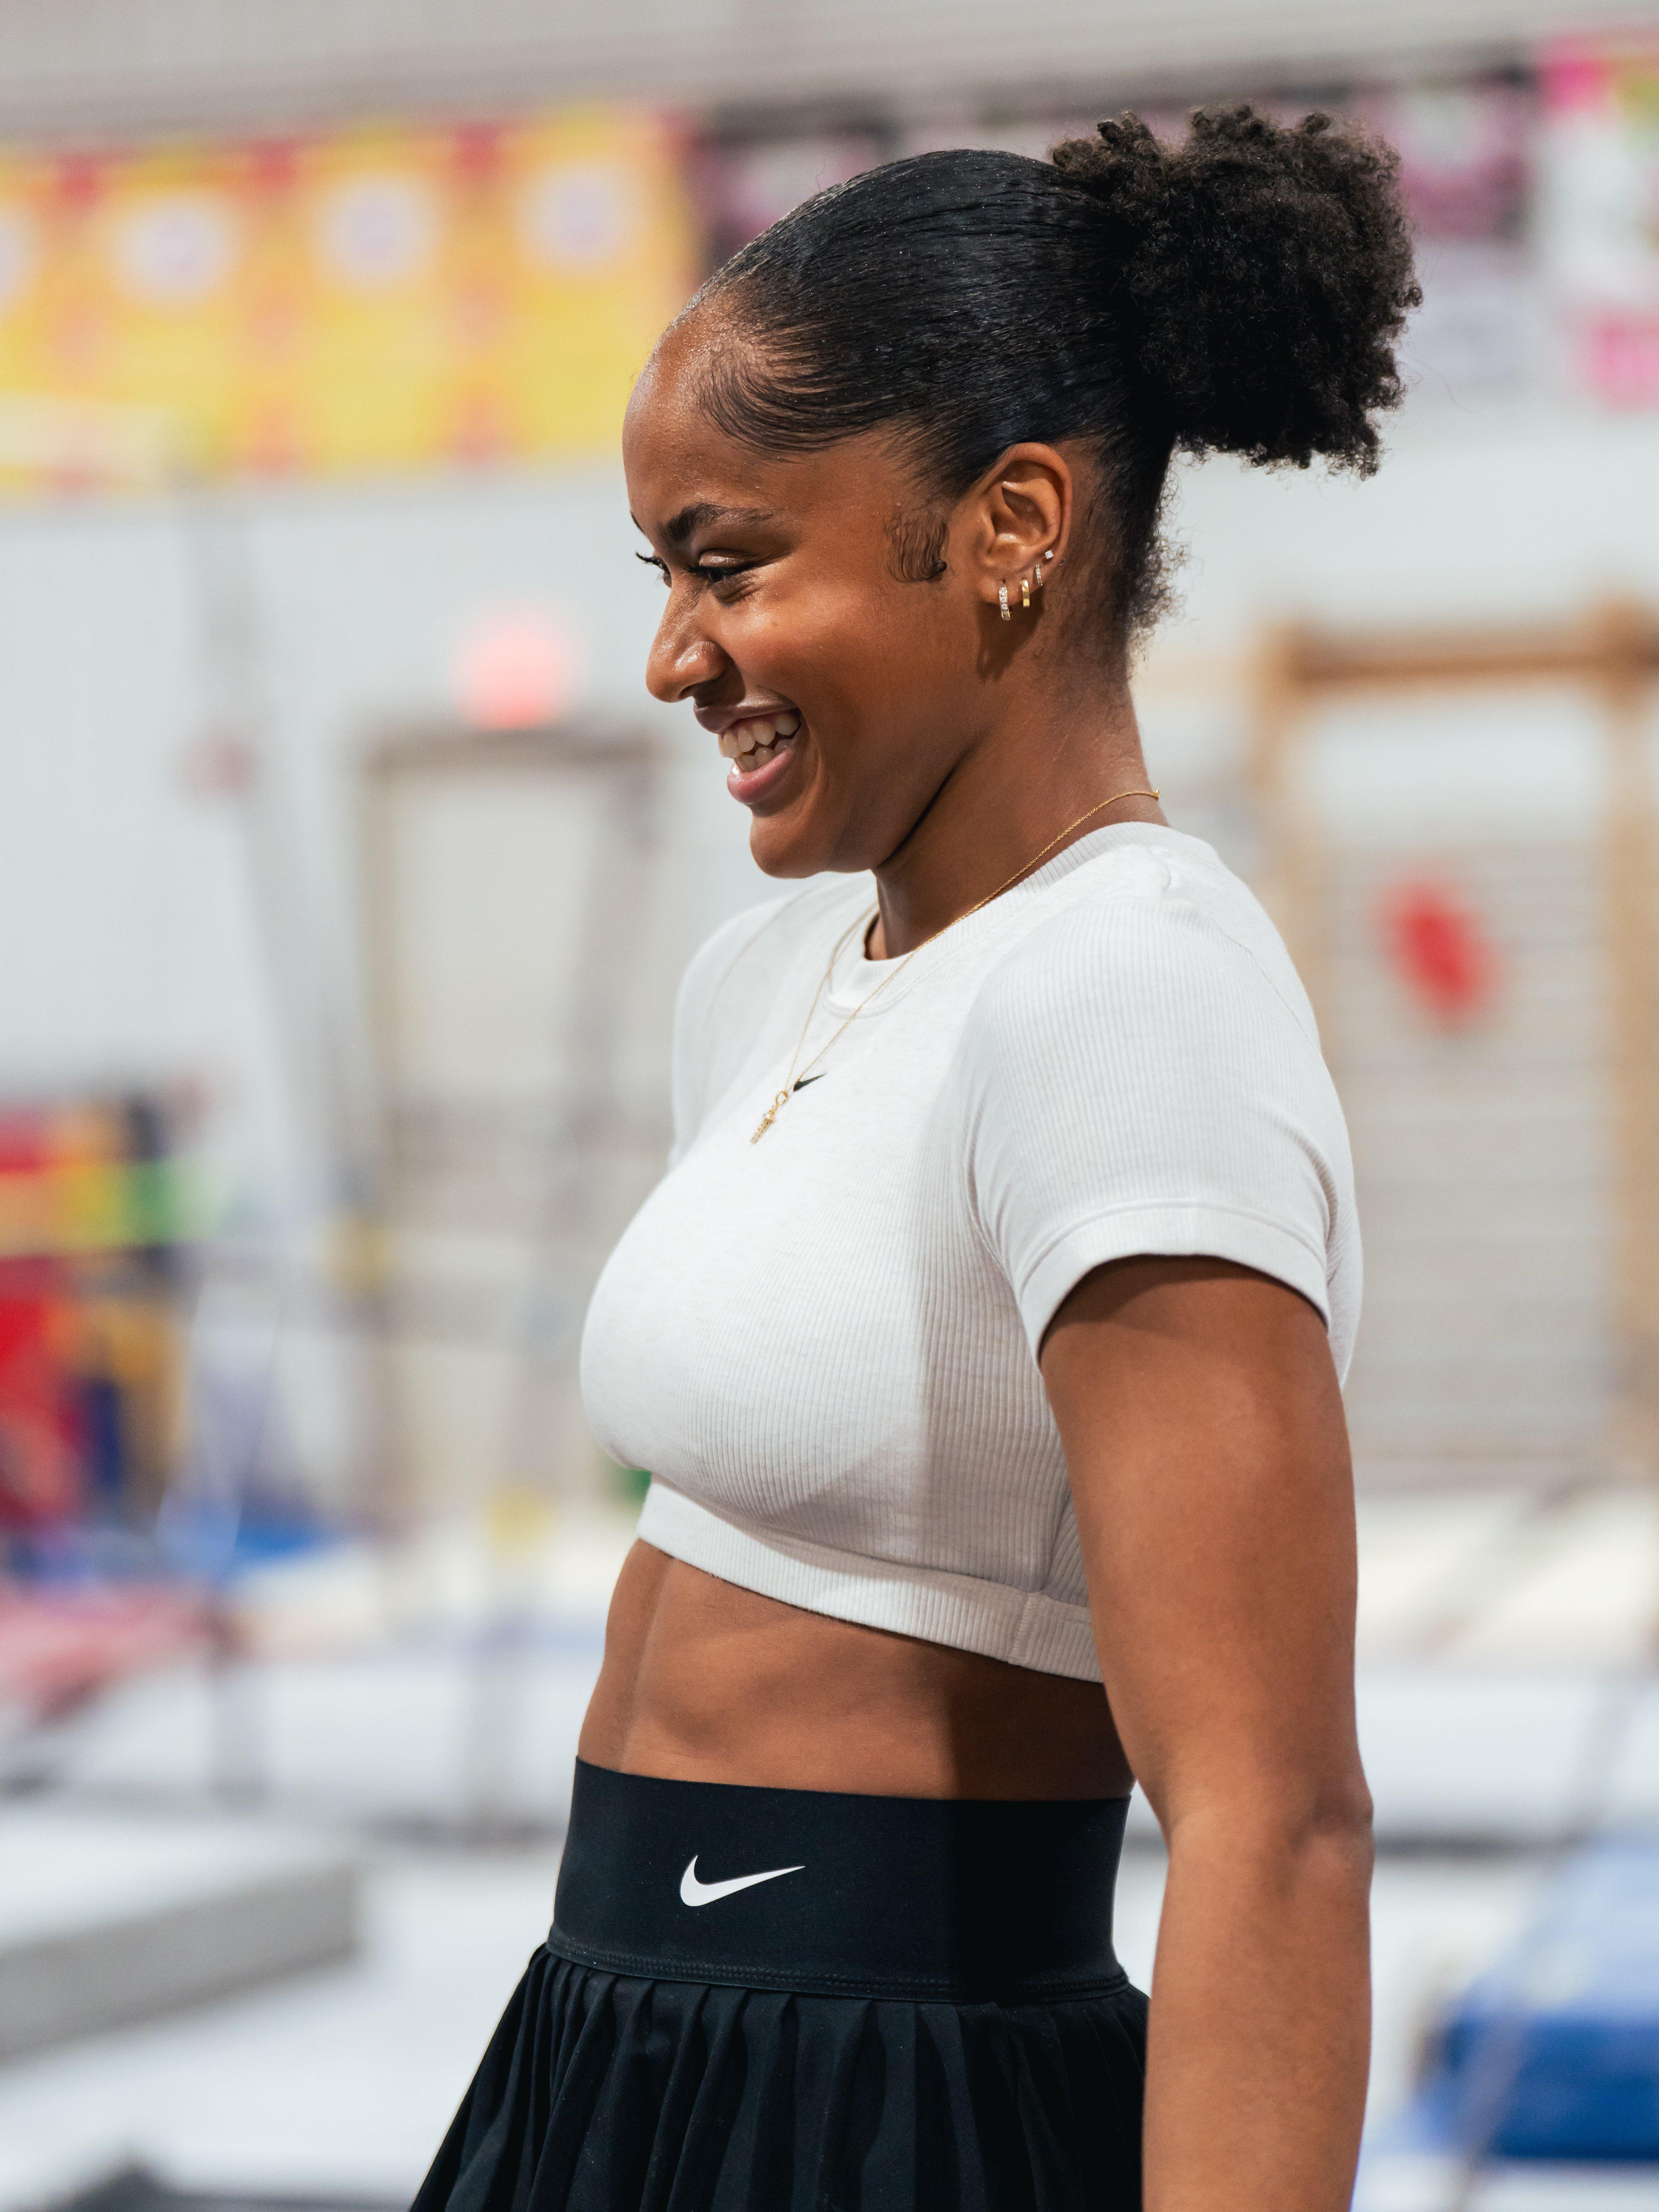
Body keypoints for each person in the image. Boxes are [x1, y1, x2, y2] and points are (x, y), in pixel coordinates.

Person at [415, 105, 1417, 2212]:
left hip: (889, 2106)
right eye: (661, 575)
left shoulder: (1131, 992)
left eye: (730, 560)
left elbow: (1272, 1815)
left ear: (1012, 524)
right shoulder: (768, 974)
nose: (677, 655)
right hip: (617, 2037)